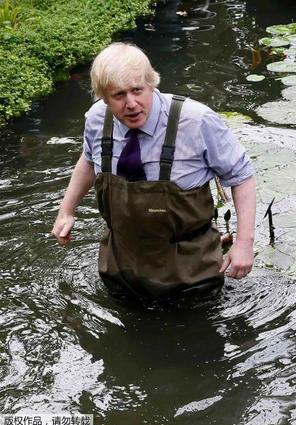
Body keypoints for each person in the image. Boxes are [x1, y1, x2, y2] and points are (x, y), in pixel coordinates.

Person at [51, 42, 256, 298]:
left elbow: (242, 176)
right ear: (103, 97)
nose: (131, 104)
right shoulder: (96, 119)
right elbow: (89, 160)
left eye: (137, 90)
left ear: (152, 83)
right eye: (118, 95)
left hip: (191, 274)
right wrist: (66, 211)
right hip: (119, 269)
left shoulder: (196, 121)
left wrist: (244, 244)